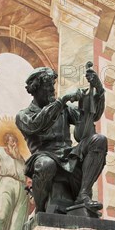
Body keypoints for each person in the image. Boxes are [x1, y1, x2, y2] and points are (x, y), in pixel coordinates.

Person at [15, 65, 107, 214]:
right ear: (36, 88)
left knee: (99, 140)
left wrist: (98, 90)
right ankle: (40, 209)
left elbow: (92, 116)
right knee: (46, 164)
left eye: (53, 85)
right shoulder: (23, 115)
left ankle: (83, 195)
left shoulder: (63, 109)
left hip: (68, 154)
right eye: (48, 85)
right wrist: (62, 100)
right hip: (44, 154)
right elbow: (37, 124)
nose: (52, 89)